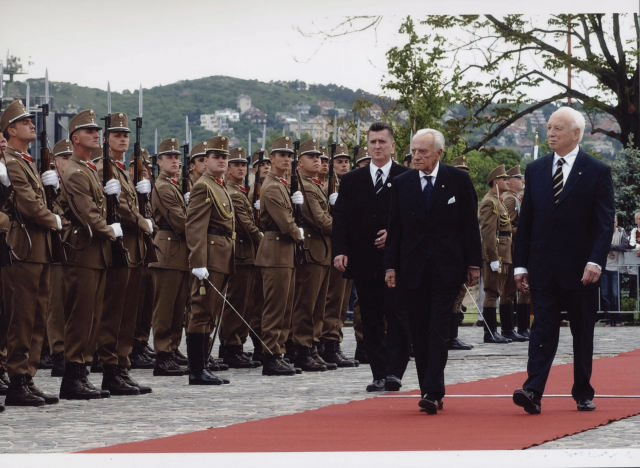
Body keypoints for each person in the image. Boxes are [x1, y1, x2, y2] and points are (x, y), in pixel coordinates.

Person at [512, 106, 615, 414]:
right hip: (544, 267)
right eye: (550, 128)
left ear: (576, 134)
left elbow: (604, 222)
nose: (551, 133)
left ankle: (583, 390)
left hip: (582, 270)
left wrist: (596, 260)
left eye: (558, 128)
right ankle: (533, 390)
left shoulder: (596, 171)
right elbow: (526, 222)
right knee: (543, 329)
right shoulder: (536, 169)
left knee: (582, 331)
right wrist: (521, 264)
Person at [385, 128, 481, 414]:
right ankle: (429, 387)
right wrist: (390, 266)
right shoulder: (402, 184)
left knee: (438, 328)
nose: (416, 156)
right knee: (419, 330)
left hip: (446, 268)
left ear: (438, 153)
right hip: (412, 269)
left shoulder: (458, 181)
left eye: (423, 152)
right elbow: (395, 230)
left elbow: (469, 225)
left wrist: (473, 264)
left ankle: (433, 390)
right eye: (414, 151)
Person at [333, 122, 410, 392]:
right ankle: (378, 372)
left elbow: (413, 218)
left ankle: (395, 371)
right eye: (373, 142)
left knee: (398, 316)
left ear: (392, 145)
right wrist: (340, 250)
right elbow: (340, 218)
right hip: (364, 259)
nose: (377, 147)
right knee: (371, 318)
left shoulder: (405, 177)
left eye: (382, 142)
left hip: (395, 261)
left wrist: (394, 233)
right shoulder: (353, 180)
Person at [1, 100, 62, 407]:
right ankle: (16, 379)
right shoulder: (10, 161)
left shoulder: (24, 160)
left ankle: (27, 376)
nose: (31, 125)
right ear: (10, 130)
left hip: (38, 248)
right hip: (23, 247)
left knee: (38, 316)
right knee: (22, 317)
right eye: (24, 122)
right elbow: (27, 204)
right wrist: (55, 220)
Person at [58, 110, 115, 400]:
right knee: (80, 316)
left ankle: (82, 372)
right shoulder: (75, 171)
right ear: (75, 138)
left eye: (97, 130)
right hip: (84, 251)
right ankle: (73, 378)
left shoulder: (89, 169)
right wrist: (110, 230)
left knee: (91, 315)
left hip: (95, 252)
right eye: (89, 130)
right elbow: (89, 214)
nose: (96, 134)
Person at [96, 112, 154, 396]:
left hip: (135, 249)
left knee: (129, 312)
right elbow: (116, 208)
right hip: (119, 248)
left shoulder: (123, 171)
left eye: (125, 135)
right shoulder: (102, 169)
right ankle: (110, 368)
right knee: (114, 312)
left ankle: (122, 364)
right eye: (117, 134)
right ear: (107, 140)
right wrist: (140, 220)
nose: (122, 138)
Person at [184, 136, 234, 385]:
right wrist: (198, 262)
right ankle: (196, 369)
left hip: (222, 256)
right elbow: (195, 227)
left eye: (225, 157)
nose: (222, 161)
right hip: (210, 257)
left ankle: (203, 365)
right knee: (201, 311)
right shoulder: (204, 186)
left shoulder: (219, 185)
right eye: (216, 157)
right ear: (206, 161)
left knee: (211, 313)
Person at [254, 136, 305, 376]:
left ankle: (279, 351)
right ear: (272, 158)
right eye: (281, 155)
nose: (286, 159)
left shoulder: (281, 185)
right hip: (275, 250)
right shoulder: (273, 186)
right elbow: (285, 223)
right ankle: (270, 354)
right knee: (275, 307)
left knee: (285, 306)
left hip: (284, 251)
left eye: (289, 155)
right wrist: (299, 233)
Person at [148, 138, 190, 376]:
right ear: (159, 162)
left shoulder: (173, 186)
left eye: (177, 157)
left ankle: (172, 349)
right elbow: (180, 221)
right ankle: (163, 353)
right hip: (168, 251)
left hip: (179, 253)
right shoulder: (163, 187)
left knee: (177, 307)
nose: (175, 161)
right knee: (165, 307)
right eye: (169, 157)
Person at [218, 146, 262, 368]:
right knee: (236, 301)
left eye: (243, 164)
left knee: (246, 303)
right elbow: (246, 225)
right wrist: (261, 237)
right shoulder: (233, 193)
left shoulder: (240, 191)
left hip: (248, 255)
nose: (241, 168)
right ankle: (230, 345)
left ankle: (237, 344)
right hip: (240, 255)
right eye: (236, 164)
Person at [479, 165, 523, 343]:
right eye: (504, 179)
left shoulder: (499, 201)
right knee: (492, 292)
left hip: (505, 250)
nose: (507, 181)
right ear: (496, 182)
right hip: (498, 252)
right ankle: (489, 332)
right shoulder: (490, 202)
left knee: (502, 291)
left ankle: (503, 329)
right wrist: (492, 257)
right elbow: (489, 232)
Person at [501, 165, 532, 338]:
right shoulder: (510, 200)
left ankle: (522, 327)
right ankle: (509, 328)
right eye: (518, 178)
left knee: (522, 290)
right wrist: (524, 231)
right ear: (510, 181)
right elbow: (508, 226)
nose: (521, 181)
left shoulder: (516, 198)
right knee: (509, 289)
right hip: (512, 248)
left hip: (518, 247)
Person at [601, 216, 629, 326]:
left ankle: (617, 318)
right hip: (605, 267)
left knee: (615, 294)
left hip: (616, 268)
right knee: (605, 294)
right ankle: (608, 318)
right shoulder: (604, 232)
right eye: (610, 221)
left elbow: (625, 246)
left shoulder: (621, 232)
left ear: (617, 222)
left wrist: (610, 247)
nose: (612, 223)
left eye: (614, 221)